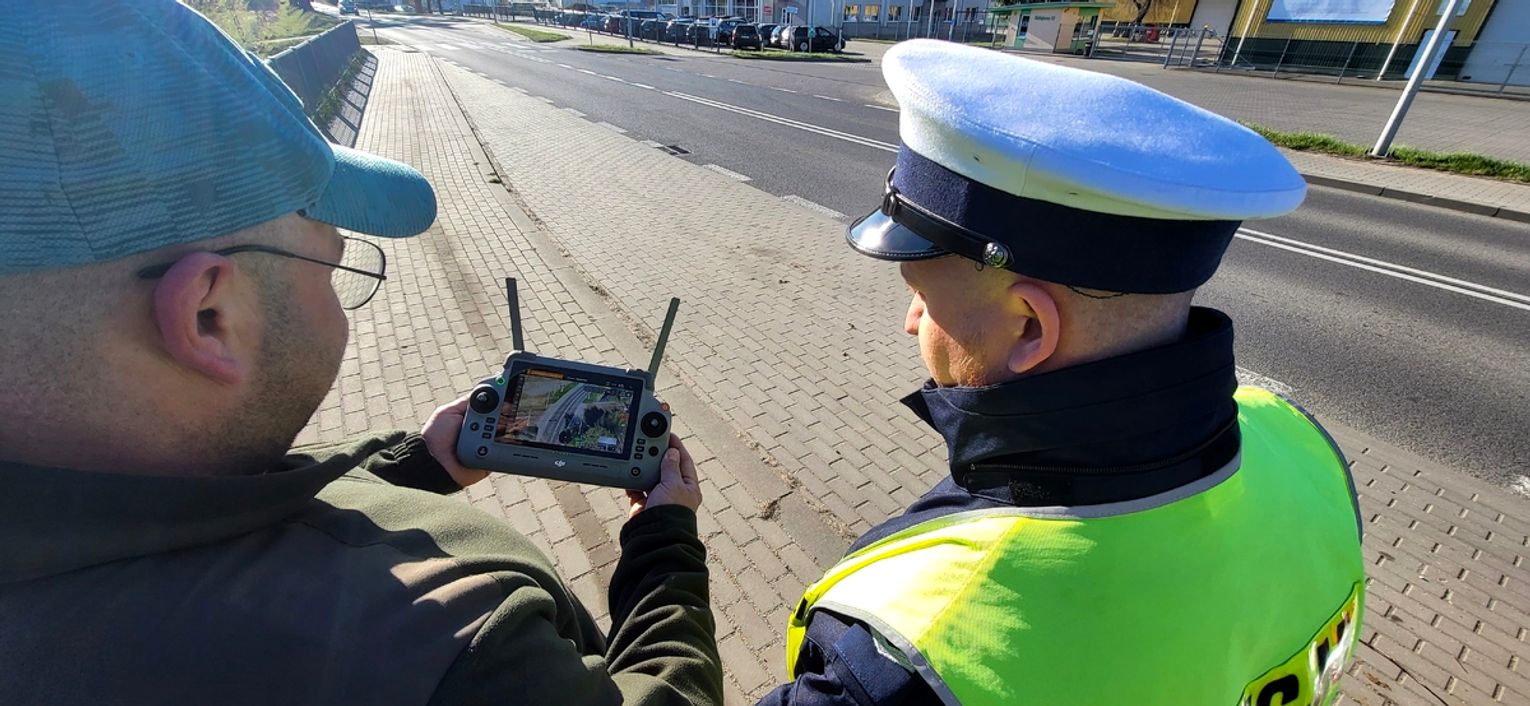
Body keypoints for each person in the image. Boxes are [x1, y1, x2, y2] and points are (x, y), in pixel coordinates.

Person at [0, 1, 721, 704]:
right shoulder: (459, 648)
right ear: (210, 318)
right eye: (332, 265)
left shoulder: (84, 534)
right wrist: (664, 546)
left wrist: (418, 467)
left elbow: (227, 511)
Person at [759, 40, 1365, 706]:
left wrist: (672, 559)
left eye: (923, 295)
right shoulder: (1304, 448)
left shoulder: (912, 659)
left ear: (1029, 329)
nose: (912, 322)